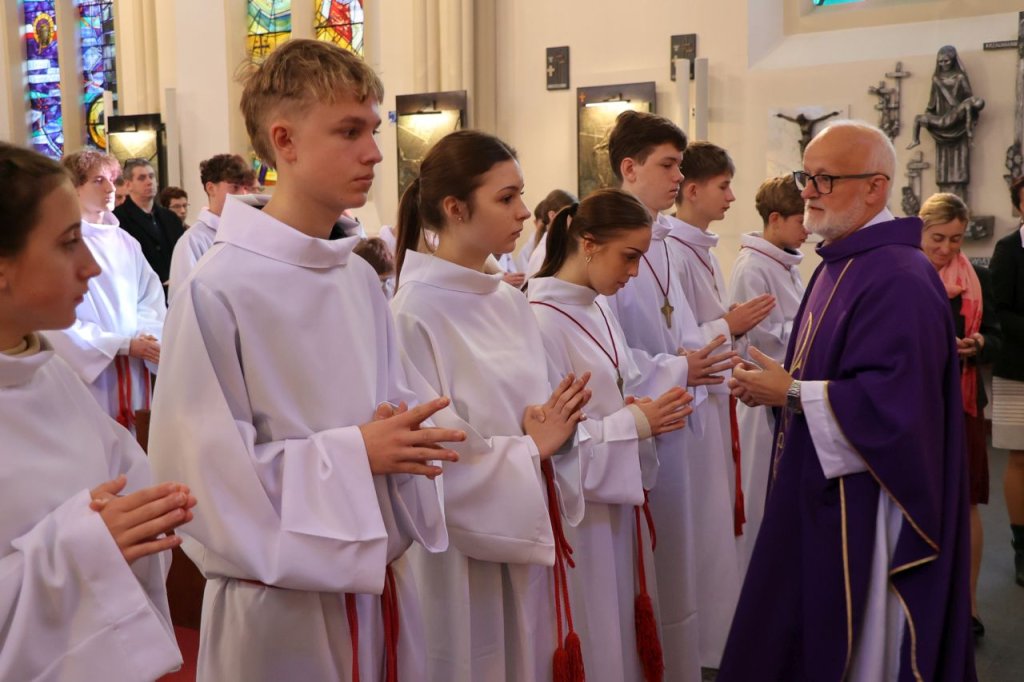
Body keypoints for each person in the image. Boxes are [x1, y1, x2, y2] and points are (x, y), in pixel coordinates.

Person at [147, 39, 465, 682]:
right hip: (279, 610)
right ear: (284, 141)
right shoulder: (218, 287)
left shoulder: (357, 279)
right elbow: (203, 483)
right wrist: (357, 454)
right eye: (349, 131)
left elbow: (395, 414)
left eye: (373, 130)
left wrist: (412, 435)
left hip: (378, 587)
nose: (374, 153)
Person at [723, 120, 975, 681]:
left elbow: (897, 406)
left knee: (860, 647)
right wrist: (778, 384)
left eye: (825, 179)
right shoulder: (843, 262)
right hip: (826, 485)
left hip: (871, 503)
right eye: (806, 176)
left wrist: (790, 392)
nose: (808, 192)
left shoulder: (898, 275)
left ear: (875, 188)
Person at [391, 129, 592, 682]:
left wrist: (560, 427)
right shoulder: (412, 313)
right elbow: (430, 454)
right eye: (506, 198)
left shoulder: (509, 300)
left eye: (521, 194)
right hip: (459, 554)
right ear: (455, 208)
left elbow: (542, 414)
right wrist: (529, 450)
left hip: (525, 515)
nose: (525, 211)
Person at [0, 141, 195, 681]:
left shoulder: (50, 374)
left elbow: (132, 486)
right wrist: (87, 548)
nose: (90, 267)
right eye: (69, 244)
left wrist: (141, 521)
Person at [528, 188, 694, 682]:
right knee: (597, 634)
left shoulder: (597, 306)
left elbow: (618, 385)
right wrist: (636, 424)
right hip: (582, 518)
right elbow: (554, 443)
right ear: (589, 244)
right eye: (629, 256)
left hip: (617, 504)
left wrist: (636, 408)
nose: (634, 272)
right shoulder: (540, 320)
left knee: (621, 634)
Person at [603, 109, 736, 682]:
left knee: (679, 563)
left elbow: (678, 327)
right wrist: (678, 367)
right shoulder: (601, 238)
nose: (679, 178)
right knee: (648, 568)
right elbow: (598, 348)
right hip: (636, 427)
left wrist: (697, 359)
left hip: (679, 414)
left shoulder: (662, 243)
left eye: (680, 166)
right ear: (629, 168)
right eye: (668, 165)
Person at [665, 140, 775, 670]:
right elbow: (671, 342)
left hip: (713, 400)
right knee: (701, 530)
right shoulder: (669, 250)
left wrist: (727, 325)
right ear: (692, 190)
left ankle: (718, 638)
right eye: (724, 186)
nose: (732, 197)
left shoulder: (698, 250)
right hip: (691, 409)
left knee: (715, 527)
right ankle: (704, 646)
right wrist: (728, 325)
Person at [918, 192, 1001, 639]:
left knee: (967, 502)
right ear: (921, 230)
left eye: (956, 239)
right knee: (920, 499)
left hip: (965, 401)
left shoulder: (976, 276)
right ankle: (923, 602)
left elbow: (996, 333)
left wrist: (979, 344)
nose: (947, 248)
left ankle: (968, 605)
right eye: (938, 238)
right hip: (917, 403)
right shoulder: (906, 274)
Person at [45, 150, 165, 429]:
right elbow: (53, 317)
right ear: (73, 188)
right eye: (98, 180)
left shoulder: (126, 242)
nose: (111, 188)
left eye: (112, 179)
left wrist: (146, 334)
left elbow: (149, 296)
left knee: (136, 439)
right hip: (91, 370)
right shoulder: (58, 243)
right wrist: (121, 345)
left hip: (135, 364)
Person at [728, 175, 807, 574]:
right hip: (760, 400)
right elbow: (758, 342)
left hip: (785, 394)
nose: (808, 228)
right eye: (801, 220)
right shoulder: (752, 266)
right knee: (759, 497)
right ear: (775, 219)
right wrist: (812, 331)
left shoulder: (786, 262)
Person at [991, 175, 1024, 589]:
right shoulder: (1007, 249)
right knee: (1020, 458)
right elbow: (999, 311)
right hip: (1019, 368)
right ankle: (1021, 547)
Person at [167, 153, 251, 302]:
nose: (243, 194)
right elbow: (182, 300)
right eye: (235, 187)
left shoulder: (248, 233)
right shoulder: (192, 241)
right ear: (211, 188)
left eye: (245, 188)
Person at [906, 45, 985, 200]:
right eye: (940, 61)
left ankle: (958, 200)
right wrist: (929, 116)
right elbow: (932, 103)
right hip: (942, 128)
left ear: (953, 60)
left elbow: (970, 101)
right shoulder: (936, 79)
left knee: (959, 167)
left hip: (958, 127)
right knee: (943, 168)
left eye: (946, 61)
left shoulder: (960, 78)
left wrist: (968, 127)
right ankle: (945, 199)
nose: (943, 64)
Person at [114, 158, 184, 293]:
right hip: (141, 292)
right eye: (142, 178)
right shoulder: (118, 219)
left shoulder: (170, 217)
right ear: (128, 185)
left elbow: (182, 253)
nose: (149, 181)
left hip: (175, 291)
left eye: (151, 176)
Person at [522, 189, 577, 277]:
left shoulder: (559, 244)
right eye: (569, 215)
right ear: (552, 216)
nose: (574, 220)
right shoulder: (545, 251)